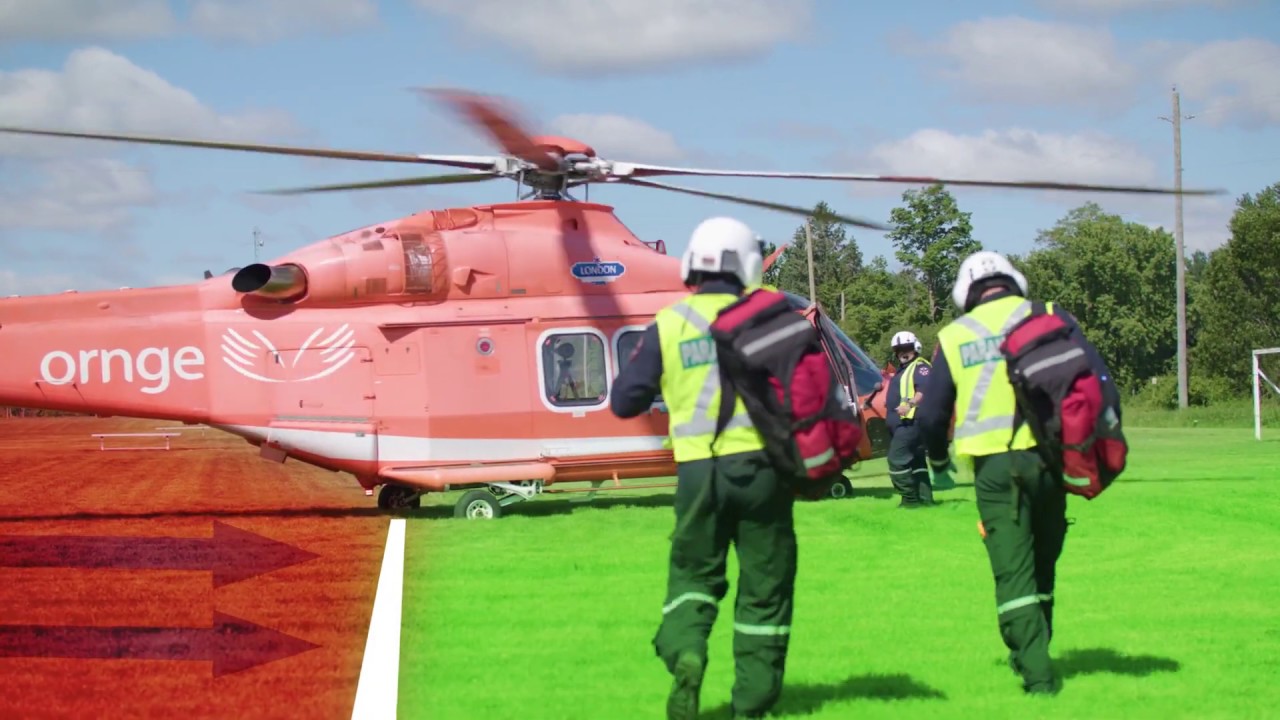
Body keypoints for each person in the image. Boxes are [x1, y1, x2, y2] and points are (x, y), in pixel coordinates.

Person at [610, 216, 796, 720]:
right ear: (749, 267)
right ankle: (752, 702)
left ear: (693, 264)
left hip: (698, 473)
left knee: (693, 573)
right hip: (763, 472)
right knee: (765, 585)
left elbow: (624, 401)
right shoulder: (772, 320)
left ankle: (687, 652)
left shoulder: (669, 323)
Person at [915, 249, 1088, 696]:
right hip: (1052, 459)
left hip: (995, 467)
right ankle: (1032, 645)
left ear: (965, 292)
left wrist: (937, 463)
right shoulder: (1049, 316)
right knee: (1044, 561)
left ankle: (1037, 676)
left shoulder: (955, 336)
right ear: (1014, 281)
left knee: (1013, 570)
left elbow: (932, 415)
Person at [882, 330, 940, 507]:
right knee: (916, 461)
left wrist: (910, 404)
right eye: (898, 350)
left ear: (915, 348)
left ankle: (910, 500)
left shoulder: (920, 366)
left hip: (910, 423)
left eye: (906, 349)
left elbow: (924, 389)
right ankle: (925, 499)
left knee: (896, 459)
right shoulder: (903, 369)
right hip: (904, 424)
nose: (902, 353)